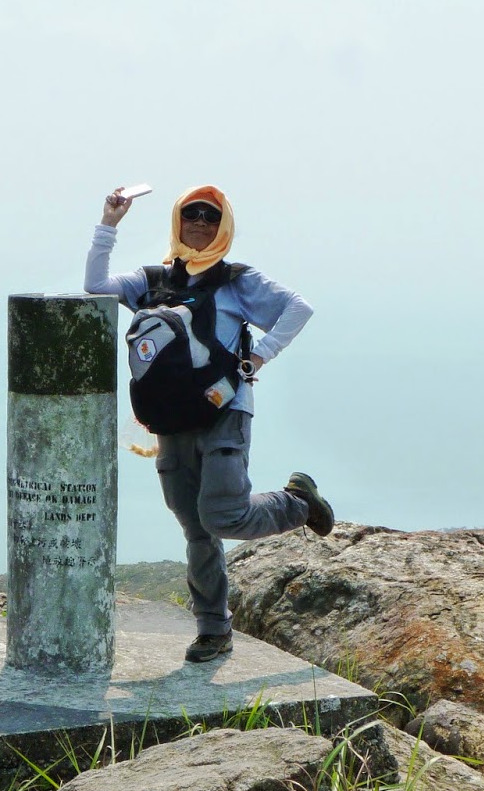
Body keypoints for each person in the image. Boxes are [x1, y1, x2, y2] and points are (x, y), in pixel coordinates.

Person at [84, 183, 334, 663]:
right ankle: (213, 630)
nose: (200, 223)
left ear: (225, 227)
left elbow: (298, 308)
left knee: (223, 515)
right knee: (196, 528)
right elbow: (96, 287)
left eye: (211, 217)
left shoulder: (237, 281)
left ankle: (298, 504)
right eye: (192, 214)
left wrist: (260, 355)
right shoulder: (153, 279)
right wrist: (109, 224)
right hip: (171, 417)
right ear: (177, 221)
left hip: (224, 409)